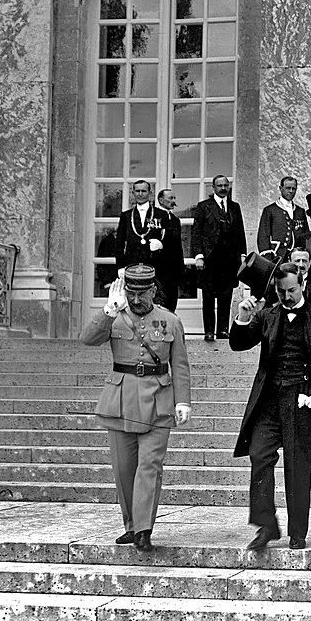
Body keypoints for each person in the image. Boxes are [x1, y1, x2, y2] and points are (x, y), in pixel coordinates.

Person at [230, 261, 311, 551]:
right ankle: (266, 526)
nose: (287, 296)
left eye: (292, 290)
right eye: (281, 291)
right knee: (259, 455)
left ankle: (298, 531)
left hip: (303, 399)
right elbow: (239, 343)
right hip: (269, 400)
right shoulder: (267, 316)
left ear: (303, 285)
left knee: (298, 467)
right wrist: (243, 318)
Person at [80, 264, 192, 553]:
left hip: (158, 400)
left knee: (149, 467)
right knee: (124, 469)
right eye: (131, 293)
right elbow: (87, 339)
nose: (136, 299)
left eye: (142, 293)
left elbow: (179, 364)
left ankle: (144, 529)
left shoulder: (170, 321)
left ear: (153, 290)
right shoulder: (114, 317)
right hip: (120, 400)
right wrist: (107, 311)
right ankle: (131, 525)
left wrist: (183, 401)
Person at [191, 175, 246, 341]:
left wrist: (242, 254)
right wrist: (198, 256)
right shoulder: (203, 207)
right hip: (210, 259)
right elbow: (196, 233)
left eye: (225, 185)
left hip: (229, 260)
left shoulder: (234, 207)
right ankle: (208, 331)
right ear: (213, 188)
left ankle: (222, 330)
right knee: (208, 296)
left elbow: (240, 232)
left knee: (226, 295)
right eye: (219, 185)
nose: (223, 188)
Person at [115, 179, 182, 310]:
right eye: (137, 191)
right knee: (134, 302)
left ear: (150, 193)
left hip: (157, 267)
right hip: (132, 266)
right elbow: (119, 243)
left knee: (156, 302)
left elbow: (174, 242)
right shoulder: (126, 216)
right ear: (133, 193)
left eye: (144, 191)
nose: (140, 194)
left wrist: (161, 245)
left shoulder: (161, 214)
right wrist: (120, 266)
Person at [256, 176, 309, 263]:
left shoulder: (300, 211)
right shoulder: (270, 210)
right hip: (277, 257)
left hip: (297, 258)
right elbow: (263, 236)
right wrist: (268, 258)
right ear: (280, 188)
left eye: (294, 189)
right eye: (288, 188)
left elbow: (306, 235)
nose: (291, 191)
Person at [154, 188, 184, 312]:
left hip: (173, 269)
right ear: (161, 200)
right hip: (158, 268)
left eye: (174, 198)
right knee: (159, 302)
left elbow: (178, 247)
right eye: (170, 198)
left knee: (172, 302)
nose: (173, 201)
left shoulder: (176, 220)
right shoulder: (154, 217)